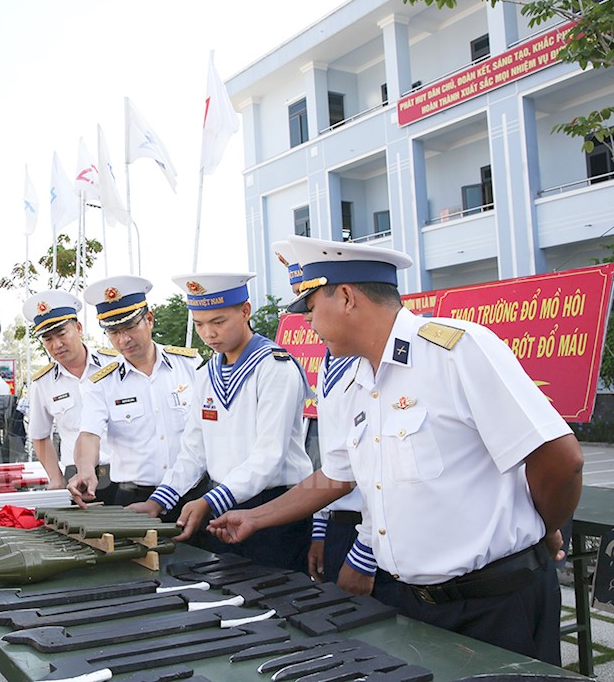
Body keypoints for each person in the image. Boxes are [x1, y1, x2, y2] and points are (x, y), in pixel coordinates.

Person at [207, 236, 583, 665]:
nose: (308, 325)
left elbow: (561, 460)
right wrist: (254, 517)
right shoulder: (358, 382)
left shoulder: (456, 351)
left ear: (346, 297)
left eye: (310, 310)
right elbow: (335, 476)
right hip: (418, 606)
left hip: (497, 602)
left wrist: (539, 525)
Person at [129, 272, 314, 570]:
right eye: (200, 324)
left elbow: (268, 457)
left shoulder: (274, 368)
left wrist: (210, 503)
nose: (209, 334)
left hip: (274, 509)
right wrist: (158, 502)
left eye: (218, 322)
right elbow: (193, 450)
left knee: (277, 602)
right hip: (221, 503)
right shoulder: (206, 374)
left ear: (245, 311)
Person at [273, 239, 383, 597]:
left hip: (379, 533)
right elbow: (332, 458)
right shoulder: (328, 361)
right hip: (338, 521)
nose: (304, 315)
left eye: (310, 302)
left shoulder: (380, 359)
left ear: (347, 297)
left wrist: (365, 553)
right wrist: (320, 528)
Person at [67, 275, 202, 515]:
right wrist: (86, 469)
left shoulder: (190, 365)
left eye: (130, 327)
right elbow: (89, 434)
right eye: (113, 332)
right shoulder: (101, 383)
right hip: (135, 499)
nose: (124, 339)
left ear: (149, 319)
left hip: (193, 496)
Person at [22, 290, 117, 503]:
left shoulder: (114, 366)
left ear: (79, 328)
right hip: (77, 481)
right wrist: (55, 478)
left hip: (124, 474)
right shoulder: (43, 383)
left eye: (62, 334)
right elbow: (39, 435)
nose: (56, 345)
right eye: (48, 338)